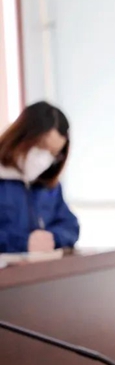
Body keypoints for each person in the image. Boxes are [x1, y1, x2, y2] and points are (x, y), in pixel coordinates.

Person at [0, 101, 79, 253]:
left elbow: (70, 225)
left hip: (40, 266)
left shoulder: (48, 185)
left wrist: (52, 238)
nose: (44, 158)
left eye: (53, 153)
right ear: (22, 136)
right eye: (42, 146)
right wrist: (22, 243)